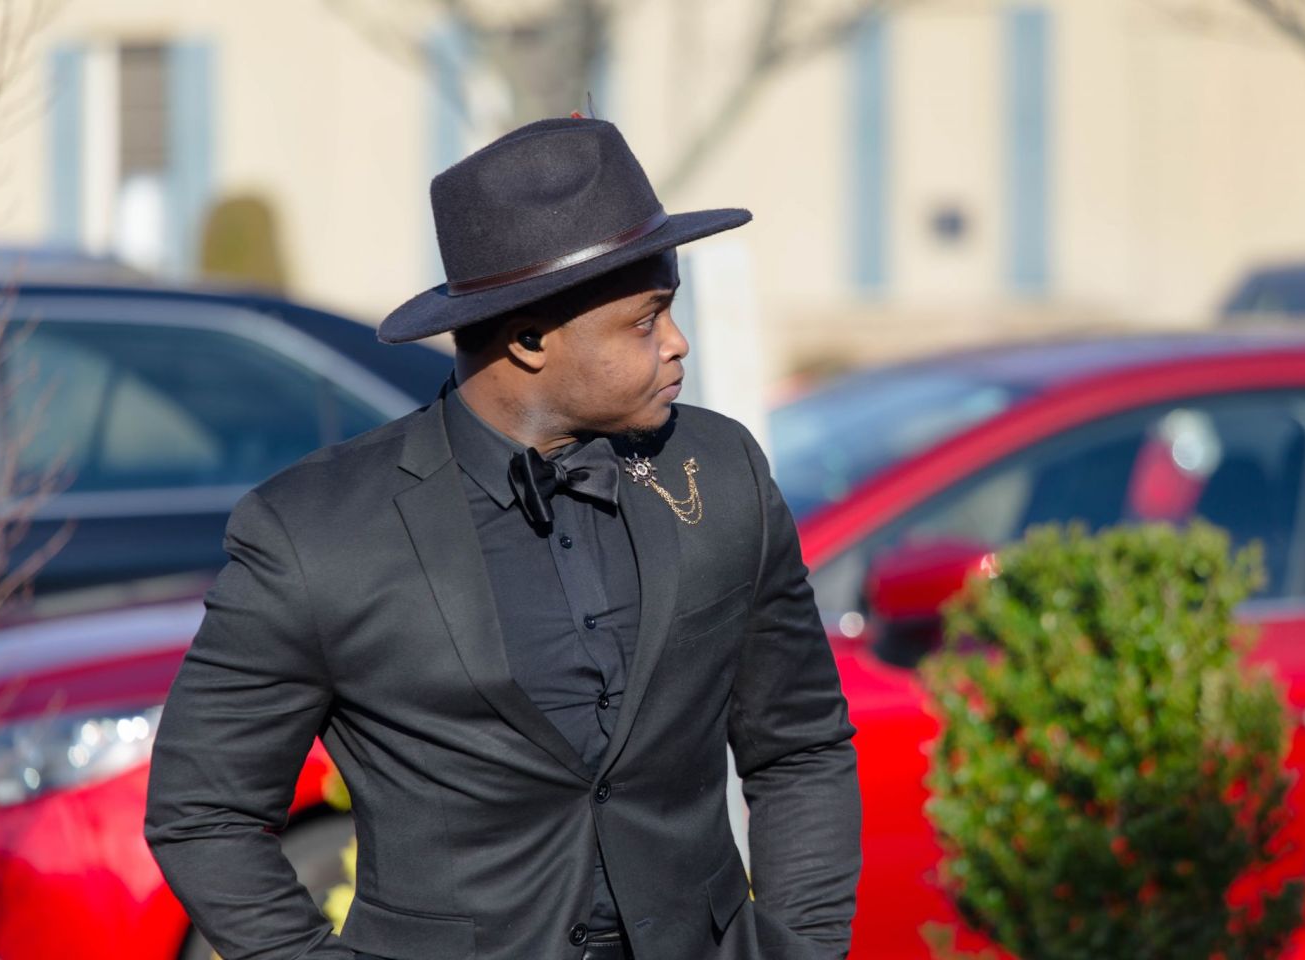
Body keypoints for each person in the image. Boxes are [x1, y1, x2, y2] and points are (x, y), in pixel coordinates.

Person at [144, 116, 861, 960]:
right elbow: (203, 811)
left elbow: (801, 745)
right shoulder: (316, 532)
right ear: (527, 339)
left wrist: (802, 949)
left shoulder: (722, 468)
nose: (677, 343)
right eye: (646, 320)